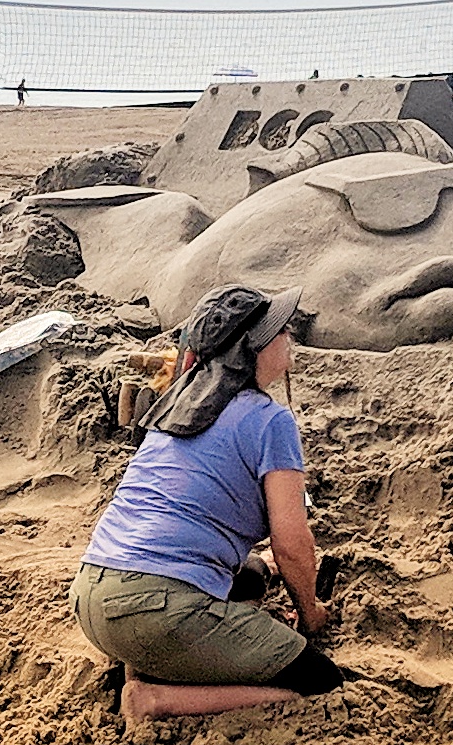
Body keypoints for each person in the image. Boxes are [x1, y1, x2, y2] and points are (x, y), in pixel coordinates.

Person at [72, 285, 342, 720]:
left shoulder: (176, 405)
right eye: (279, 330)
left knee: (251, 577)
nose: (288, 334)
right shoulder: (270, 420)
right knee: (317, 681)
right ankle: (155, 698)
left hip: (92, 597)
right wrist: (310, 615)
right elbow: (291, 543)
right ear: (249, 349)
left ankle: (146, 662)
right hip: (154, 612)